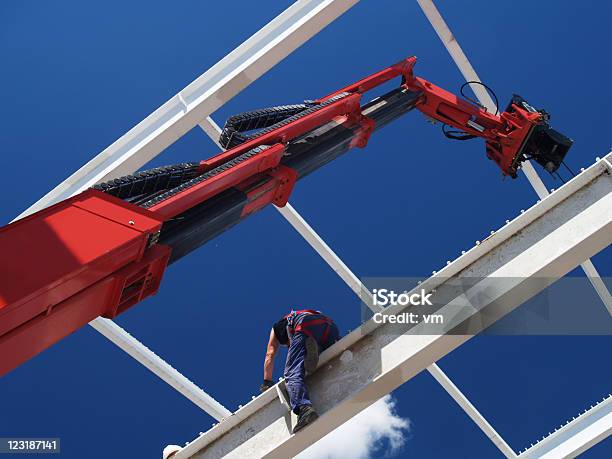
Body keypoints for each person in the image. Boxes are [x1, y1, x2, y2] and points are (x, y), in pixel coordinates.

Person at [261, 309, 340, 433]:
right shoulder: (297, 314)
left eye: (288, 345)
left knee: (291, 372)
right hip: (330, 328)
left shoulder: (276, 328)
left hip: (306, 326)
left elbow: (269, 355)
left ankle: (304, 409)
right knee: (312, 356)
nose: (289, 347)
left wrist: (267, 382)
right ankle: (314, 351)